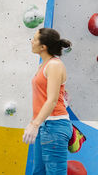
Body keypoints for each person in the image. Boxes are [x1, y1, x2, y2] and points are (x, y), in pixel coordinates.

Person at [23, 28, 73, 174]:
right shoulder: (43, 65)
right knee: (38, 172)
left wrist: (34, 124)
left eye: (34, 39)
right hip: (44, 125)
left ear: (43, 47)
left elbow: (51, 100)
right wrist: (36, 122)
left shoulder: (54, 65)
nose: (31, 41)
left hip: (55, 126)